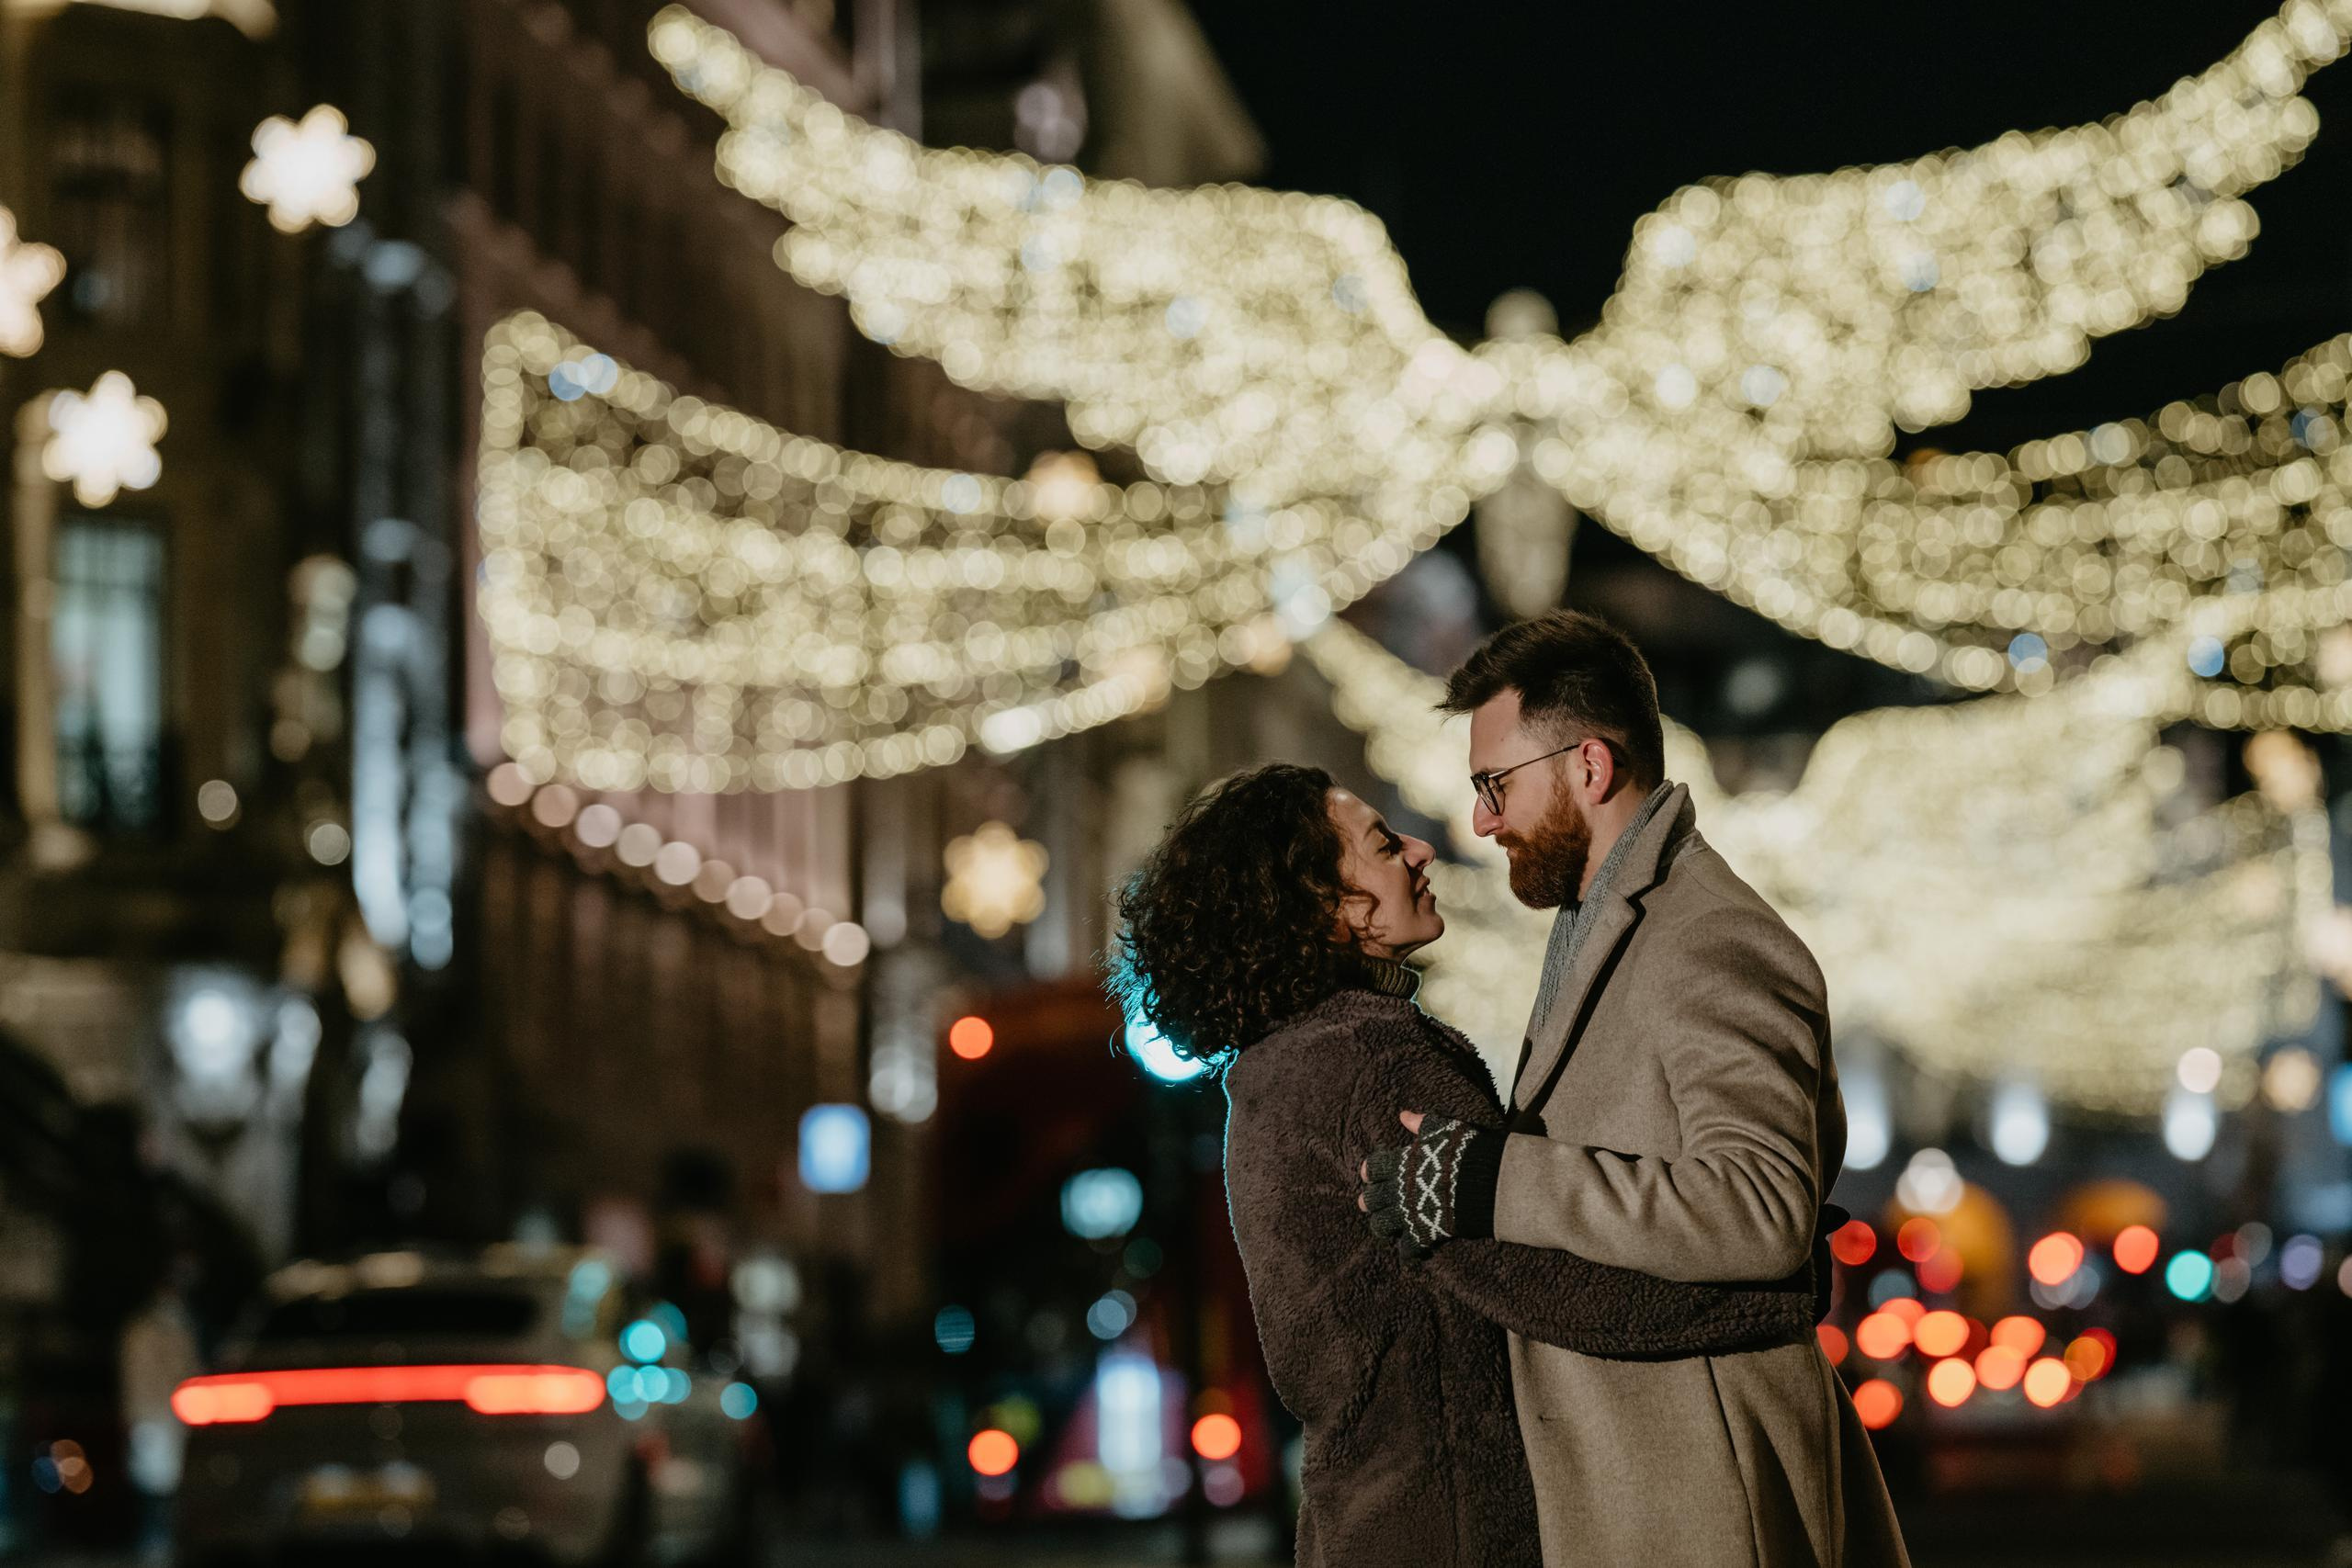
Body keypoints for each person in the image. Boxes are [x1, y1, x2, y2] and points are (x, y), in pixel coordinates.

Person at [1109, 761, 1822, 1568]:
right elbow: (1543, 1280)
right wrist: (1768, 1289)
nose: (1420, 848)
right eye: (1383, 843)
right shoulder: (1369, 1063)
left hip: (1368, 1519)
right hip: (1456, 1526)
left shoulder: (1276, 1072)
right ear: (1324, 904)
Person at [1356, 610, 1911, 1567]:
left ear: (1589, 766)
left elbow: (1759, 1208)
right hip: (1647, 1476)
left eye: (1495, 785)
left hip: (1704, 1481)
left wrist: (1492, 1182)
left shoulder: (1707, 936)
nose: (1481, 820)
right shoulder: (1604, 917)